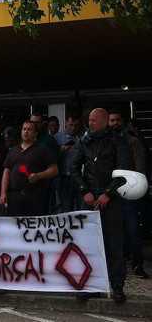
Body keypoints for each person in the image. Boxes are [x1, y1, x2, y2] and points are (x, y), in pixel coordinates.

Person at [71, 108, 130, 303]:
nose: (91, 123)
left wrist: (108, 193)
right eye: (89, 120)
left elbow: (123, 172)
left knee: (114, 244)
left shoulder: (118, 141)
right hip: (88, 198)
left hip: (110, 200)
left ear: (105, 121)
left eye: (94, 120)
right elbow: (73, 167)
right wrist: (83, 191)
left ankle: (117, 286)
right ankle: (91, 286)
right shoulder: (84, 141)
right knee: (90, 245)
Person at [108, 110, 148, 279]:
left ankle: (137, 265)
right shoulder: (106, 142)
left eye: (117, 120)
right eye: (111, 120)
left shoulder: (133, 141)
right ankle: (117, 265)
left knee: (132, 230)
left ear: (122, 121)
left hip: (129, 191)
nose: (114, 123)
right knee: (114, 230)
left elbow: (141, 168)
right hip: (110, 192)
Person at [0, 121, 58, 216]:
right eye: (24, 129)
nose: (26, 132)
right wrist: (3, 192)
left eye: (29, 129)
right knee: (15, 226)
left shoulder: (42, 149)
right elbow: (6, 171)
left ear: (35, 134)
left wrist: (38, 176)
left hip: (35, 196)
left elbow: (54, 170)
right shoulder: (13, 150)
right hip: (15, 196)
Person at [56, 115, 83, 213]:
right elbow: (50, 158)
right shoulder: (57, 138)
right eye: (71, 125)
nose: (73, 128)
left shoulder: (82, 138)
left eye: (76, 125)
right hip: (64, 177)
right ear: (66, 123)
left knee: (80, 207)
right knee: (66, 206)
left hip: (79, 177)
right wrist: (60, 150)